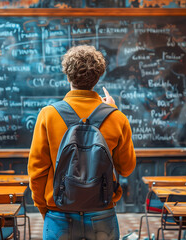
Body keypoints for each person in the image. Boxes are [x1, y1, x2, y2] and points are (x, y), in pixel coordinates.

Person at [28, 45, 136, 240]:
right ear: (98, 78)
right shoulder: (116, 117)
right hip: (102, 211)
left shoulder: (48, 115)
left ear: (68, 76)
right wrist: (111, 111)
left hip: (58, 211)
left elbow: (37, 172)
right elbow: (126, 168)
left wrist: (45, 209)